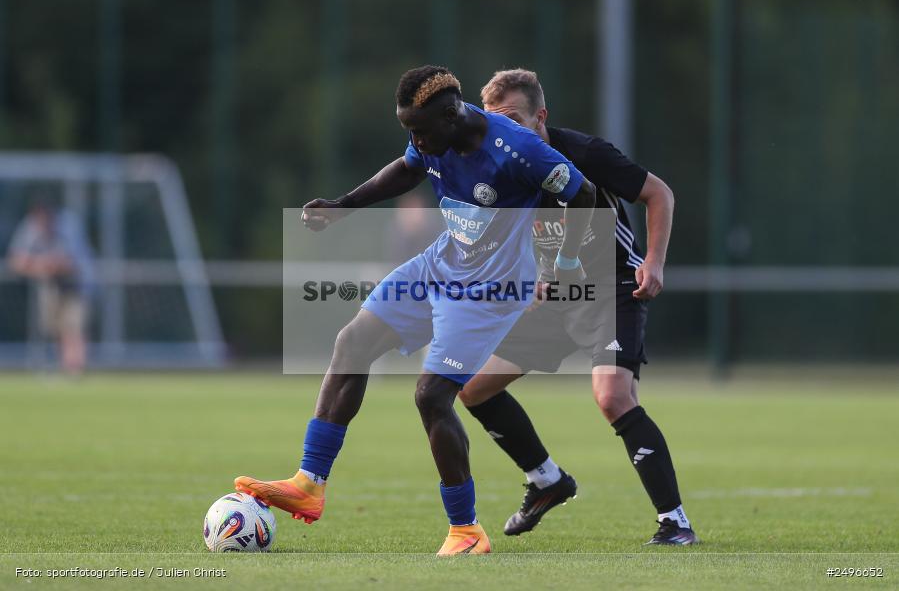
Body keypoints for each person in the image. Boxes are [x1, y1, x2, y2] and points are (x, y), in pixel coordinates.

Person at [235, 65, 596, 555]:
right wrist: (344, 205)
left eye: (421, 130)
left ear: (452, 115)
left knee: (431, 396)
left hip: (491, 291)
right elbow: (407, 170)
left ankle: (466, 531)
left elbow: (585, 195)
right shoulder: (432, 138)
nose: (416, 141)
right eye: (409, 130)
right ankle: (309, 483)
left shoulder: (519, 149)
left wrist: (568, 261)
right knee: (352, 343)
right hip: (441, 266)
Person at [457, 69, 698, 545]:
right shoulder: (501, 166)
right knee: (473, 389)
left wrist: (654, 261)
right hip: (555, 295)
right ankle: (546, 480)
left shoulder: (585, 154)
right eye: (494, 123)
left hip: (612, 288)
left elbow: (659, 194)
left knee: (612, 396)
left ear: (541, 116)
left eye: (513, 120)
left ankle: (675, 522)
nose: (503, 132)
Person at [7, 197, 95, 374]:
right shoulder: (30, 228)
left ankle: (76, 368)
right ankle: (65, 365)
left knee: (75, 327)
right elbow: (16, 261)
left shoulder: (68, 226)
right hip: (50, 286)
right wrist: (41, 265)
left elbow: (71, 263)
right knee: (56, 328)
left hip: (76, 285)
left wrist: (44, 264)